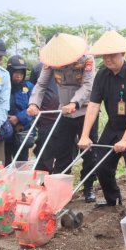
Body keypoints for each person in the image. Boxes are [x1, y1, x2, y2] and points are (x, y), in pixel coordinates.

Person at [79, 31, 126, 209]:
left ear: (123, 54)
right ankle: (112, 198)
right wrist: (85, 135)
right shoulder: (102, 76)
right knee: (101, 165)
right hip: (113, 126)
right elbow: (94, 105)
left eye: (112, 55)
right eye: (105, 56)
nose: (108, 59)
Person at [28, 33, 98, 202]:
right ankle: (61, 190)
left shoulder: (87, 60)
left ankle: (88, 186)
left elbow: (88, 85)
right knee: (62, 151)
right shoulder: (51, 61)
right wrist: (33, 104)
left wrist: (74, 103)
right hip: (64, 113)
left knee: (88, 151)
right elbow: (41, 84)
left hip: (85, 111)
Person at [28, 61, 59, 173]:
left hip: (66, 116)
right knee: (44, 150)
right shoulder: (38, 68)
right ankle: (42, 182)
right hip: (46, 118)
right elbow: (35, 88)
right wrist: (33, 105)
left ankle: (60, 179)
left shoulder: (72, 65)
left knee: (66, 151)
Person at [4, 55, 35, 166]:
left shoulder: (29, 87)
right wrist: (9, 121)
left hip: (22, 132)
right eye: (16, 73)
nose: (18, 76)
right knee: (5, 164)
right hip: (5, 132)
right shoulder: (3, 85)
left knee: (21, 165)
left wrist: (19, 119)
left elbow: (34, 108)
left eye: (21, 73)